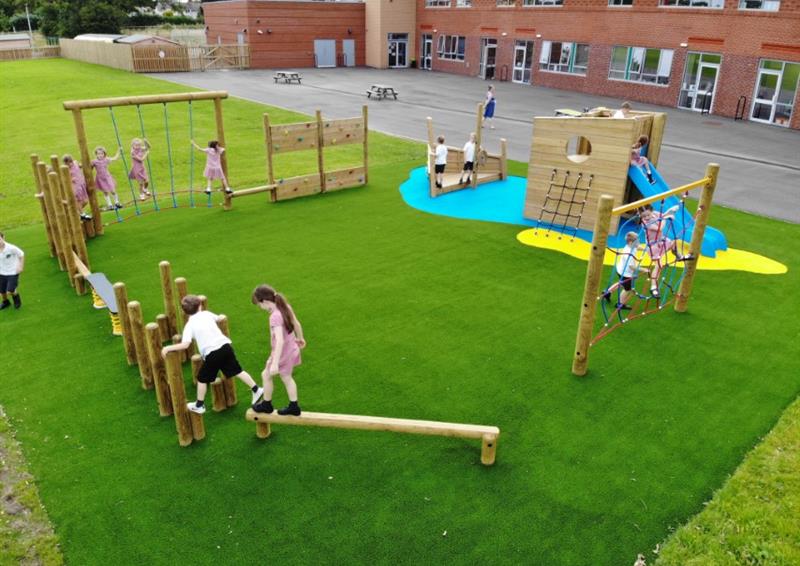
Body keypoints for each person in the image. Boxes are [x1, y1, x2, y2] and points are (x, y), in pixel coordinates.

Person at [161, 295, 263, 414]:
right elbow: (219, 318)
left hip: (212, 354)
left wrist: (168, 347)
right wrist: (222, 316)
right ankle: (256, 389)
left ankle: (199, 405)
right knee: (238, 371)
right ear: (200, 306)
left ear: (184, 311)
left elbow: (185, 344)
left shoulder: (189, 325)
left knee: (202, 379)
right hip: (226, 347)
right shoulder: (207, 314)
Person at [251, 284, 306, 416]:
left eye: (260, 305)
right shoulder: (285, 306)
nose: (261, 308)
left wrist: (275, 363)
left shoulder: (275, 316)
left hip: (281, 353)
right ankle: (294, 406)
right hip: (291, 348)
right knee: (287, 377)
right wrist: (300, 338)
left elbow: (279, 341)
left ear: (265, 301)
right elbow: (296, 323)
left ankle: (267, 404)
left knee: (266, 375)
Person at [639, 204, 697, 298]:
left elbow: (663, 215)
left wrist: (670, 212)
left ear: (651, 212)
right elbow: (659, 228)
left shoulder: (655, 214)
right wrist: (666, 218)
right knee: (658, 266)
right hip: (653, 246)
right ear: (641, 217)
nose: (646, 217)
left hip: (661, 241)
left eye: (648, 215)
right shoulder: (645, 223)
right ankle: (653, 287)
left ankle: (679, 256)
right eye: (644, 216)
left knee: (674, 242)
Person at [601, 231, 641, 311]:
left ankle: (607, 292)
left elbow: (638, 247)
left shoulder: (630, 246)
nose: (639, 243)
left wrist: (646, 249)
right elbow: (632, 267)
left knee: (621, 282)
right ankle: (620, 304)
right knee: (627, 289)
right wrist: (644, 269)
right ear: (631, 242)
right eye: (637, 241)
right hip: (626, 273)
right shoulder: (628, 253)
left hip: (620, 269)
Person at [91, 146, 122, 211]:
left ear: (104, 154)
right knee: (105, 192)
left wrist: (119, 151)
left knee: (112, 190)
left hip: (107, 177)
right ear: (96, 154)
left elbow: (115, 158)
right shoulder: (94, 161)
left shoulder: (106, 159)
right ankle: (109, 204)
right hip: (100, 178)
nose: (100, 155)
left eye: (102, 153)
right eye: (98, 154)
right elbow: (90, 168)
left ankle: (117, 202)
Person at [0, 232, 24, 310]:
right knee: (2, 290)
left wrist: (20, 266)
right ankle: (5, 302)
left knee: (10, 290)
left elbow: (21, 254)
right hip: (2, 272)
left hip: (13, 272)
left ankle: (16, 298)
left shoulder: (11, 248)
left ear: (3, 238)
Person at [63, 154, 91, 220]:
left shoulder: (75, 163)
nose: (69, 164)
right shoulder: (66, 169)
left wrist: (84, 163)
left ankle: (77, 211)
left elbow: (80, 166)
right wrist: (71, 179)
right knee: (79, 200)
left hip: (82, 184)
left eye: (70, 162)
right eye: (67, 163)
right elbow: (65, 178)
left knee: (86, 201)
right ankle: (82, 214)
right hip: (76, 186)